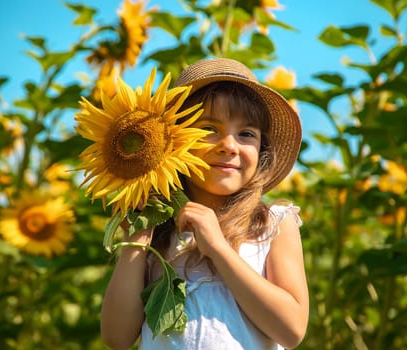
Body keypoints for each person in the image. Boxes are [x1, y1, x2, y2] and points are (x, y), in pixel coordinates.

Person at [100, 57, 309, 350]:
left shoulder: (272, 224)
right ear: (172, 141)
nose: (229, 145)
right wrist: (137, 235)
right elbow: (116, 337)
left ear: (262, 149)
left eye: (246, 134)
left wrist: (218, 248)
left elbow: (291, 330)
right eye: (209, 129)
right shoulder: (159, 236)